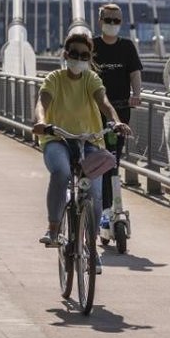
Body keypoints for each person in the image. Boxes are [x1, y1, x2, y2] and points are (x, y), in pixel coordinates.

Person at [32, 33, 131, 274]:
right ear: (65, 55)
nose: (78, 59)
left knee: (95, 196)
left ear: (90, 58)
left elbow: (104, 102)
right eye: (74, 54)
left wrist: (116, 121)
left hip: (90, 141)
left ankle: (92, 247)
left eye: (84, 56)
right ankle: (54, 228)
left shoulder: (91, 79)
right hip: (58, 137)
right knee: (61, 171)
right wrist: (42, 122)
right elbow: (42, 103)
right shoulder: (54, 78)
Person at [92, 3, 143, 225]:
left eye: (116, 21)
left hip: (120, 112)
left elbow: (135, 73)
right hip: (94, 112)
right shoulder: (91, 45)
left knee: (113, 160)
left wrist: (137, 94)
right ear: (100, 21)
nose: (112, 24)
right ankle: (93, 203)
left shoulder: (127, 46)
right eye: (108, 20)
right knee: (94, 158)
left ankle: (109, 208)